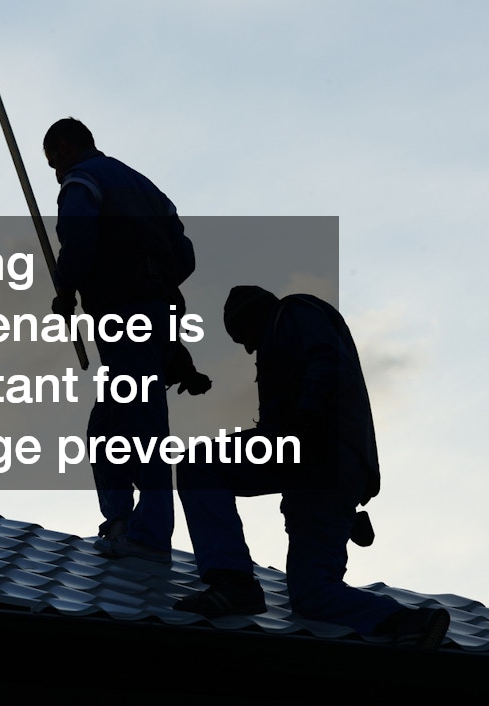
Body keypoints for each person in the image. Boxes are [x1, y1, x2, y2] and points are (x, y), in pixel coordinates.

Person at [174, 285, 451, 650]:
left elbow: (326, 360)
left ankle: (233, 582)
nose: (247, 349)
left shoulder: (292, 313)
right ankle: (406, 621)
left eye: (244, 337)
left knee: (199, 464)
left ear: (253, 316)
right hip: (329, 472)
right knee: (312, 595)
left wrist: (304, 418)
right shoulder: (288, 325)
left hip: (315, 450)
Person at [43, 117, 202, 564]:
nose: (55, 173)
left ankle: (149, 534)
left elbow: (78, 237)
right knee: (111, 426)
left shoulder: (83, 181)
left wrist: (67, 286)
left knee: (140, 425)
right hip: (159, 314)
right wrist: (156, 284)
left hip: (126, 315)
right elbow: (185, 255)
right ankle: (121, 521)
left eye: (54, 161)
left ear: (69, 149)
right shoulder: (144, 187)